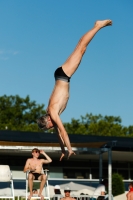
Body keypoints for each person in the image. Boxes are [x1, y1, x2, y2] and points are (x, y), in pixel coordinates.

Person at [37, 19, 112, 161]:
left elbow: (63, 132)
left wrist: (70, 149)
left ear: (47, 121)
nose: (52, 127)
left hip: (64, 75)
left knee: (81, 48)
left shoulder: (52, 113)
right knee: (80, 49)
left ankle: (98, 26)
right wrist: (63, 150)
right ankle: (97, 27)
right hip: (61, 75)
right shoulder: (51, 114)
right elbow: (59, 135)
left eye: (49, 127)